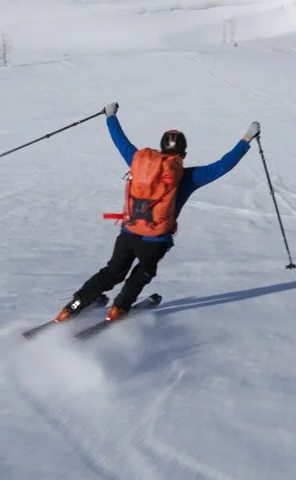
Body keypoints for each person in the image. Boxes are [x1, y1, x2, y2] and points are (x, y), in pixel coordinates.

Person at [58, 104, 260, 322]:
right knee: (144, 271)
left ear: (161, 148)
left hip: (128, 232)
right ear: (183, 153)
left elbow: (121, 142)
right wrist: (247, 138)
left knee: (112, 273)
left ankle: (72, 307)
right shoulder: (189, 176)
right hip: (156, 239)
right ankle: (119, 309)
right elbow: (223, 165)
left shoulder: (138, 162)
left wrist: (110, 116)